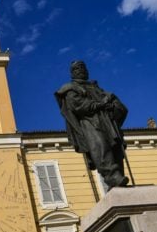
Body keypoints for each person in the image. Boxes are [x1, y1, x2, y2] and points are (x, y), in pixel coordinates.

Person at [55, 61, 129, 189]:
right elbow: (77, 105)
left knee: (115, 147)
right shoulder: (70, 88)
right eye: (77, 69)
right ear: (73, 72)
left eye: (83, 68)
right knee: (100, 147)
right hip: (89, 122)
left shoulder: (95, 87)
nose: (82, 70)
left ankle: (119, 176)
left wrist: (112, 106)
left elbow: (114, 102)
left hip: (107, 121)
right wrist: (100, 104)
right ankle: (112, 176)